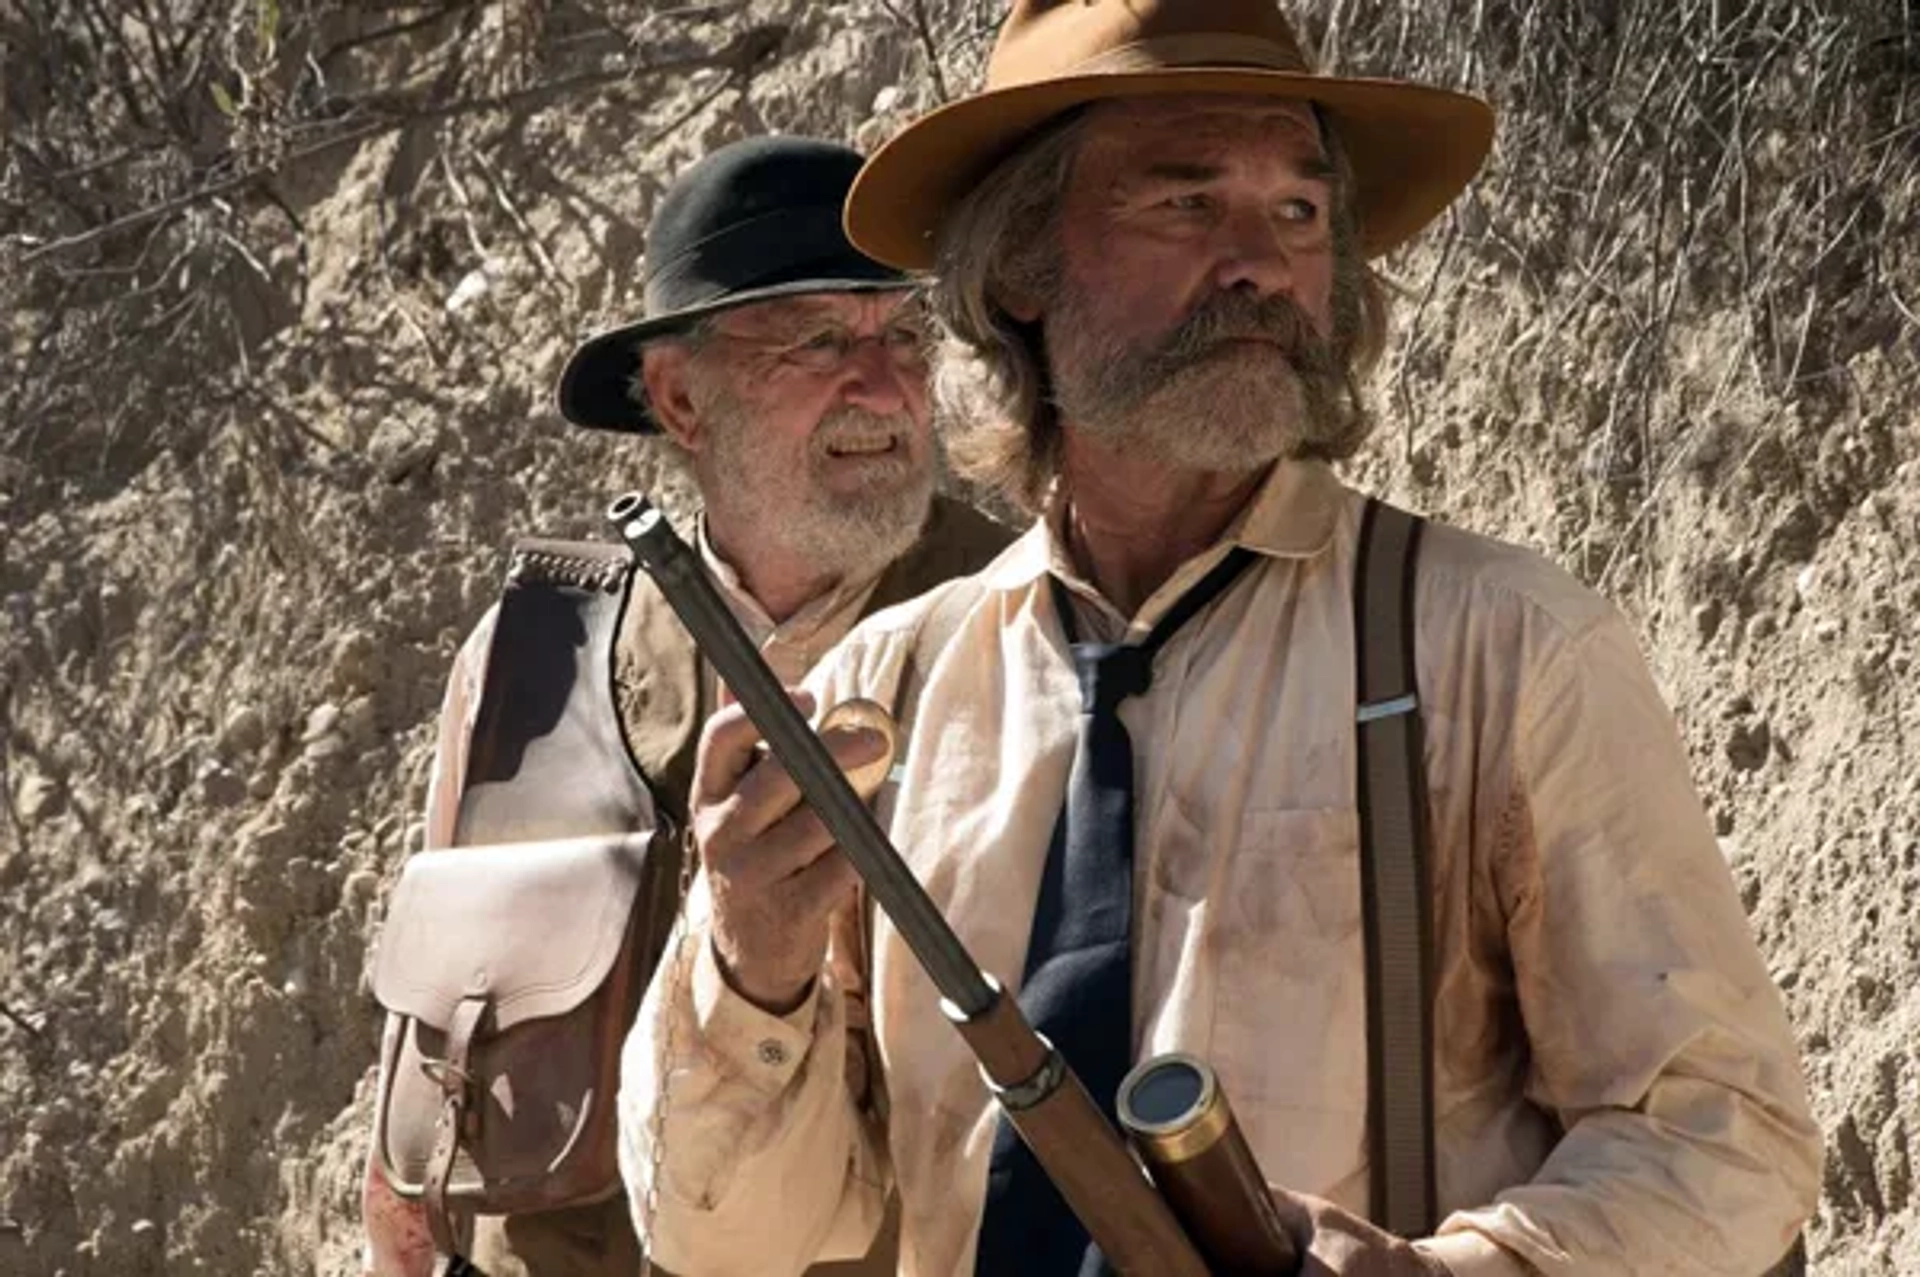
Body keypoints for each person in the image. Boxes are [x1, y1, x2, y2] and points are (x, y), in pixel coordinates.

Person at [617, 3, 1825, 1275]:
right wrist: (753, 967)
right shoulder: (889, 686)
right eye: (1185, 206)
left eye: (1300, 214)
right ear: (1023, 267)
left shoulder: (1504, 647)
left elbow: (1727, 1137)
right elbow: (731, 1238)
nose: (1260, 264)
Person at [359, 134, 1011, 1277]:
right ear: (679, 398)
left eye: (902, 335)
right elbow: (422, 1098)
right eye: (818, 339)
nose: (883, 383)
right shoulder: (535, 652)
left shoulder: (1025, 624)